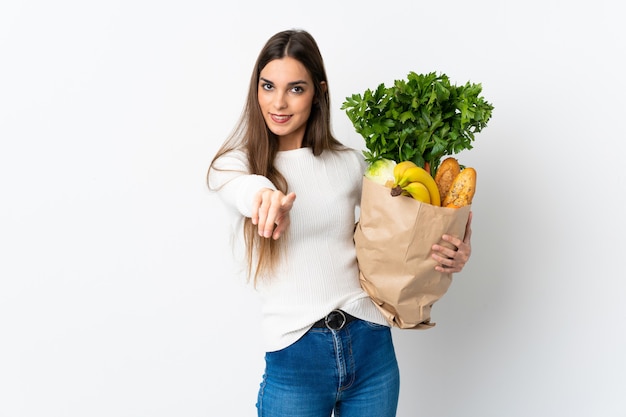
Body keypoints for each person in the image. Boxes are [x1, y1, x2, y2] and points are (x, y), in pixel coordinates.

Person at [206, 29, 472, 417]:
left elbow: (399, 234)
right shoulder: (235, 165)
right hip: (296, 358)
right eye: (268, 86)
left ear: (318, 92)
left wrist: (454, 250)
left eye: (295, 89)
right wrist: (264, 197)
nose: (278, 102)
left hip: (370, 346)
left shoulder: (349, 164)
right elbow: (244, 190)